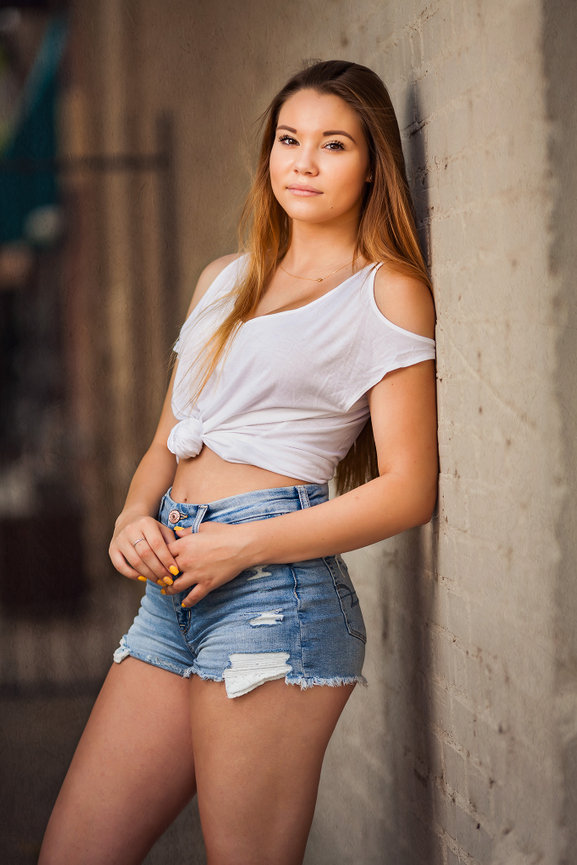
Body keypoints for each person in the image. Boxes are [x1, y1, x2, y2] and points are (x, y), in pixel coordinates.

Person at [39, 59, 437, 865]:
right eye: (289, 139)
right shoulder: (221, 280)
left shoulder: (383, 291)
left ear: (372, 165)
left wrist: (243, 545)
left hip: (275, 599)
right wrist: (130, 517)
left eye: (333, 145)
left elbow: (408, 489)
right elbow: (169, 440)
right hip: (174, 587)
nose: (302, 161)